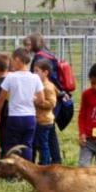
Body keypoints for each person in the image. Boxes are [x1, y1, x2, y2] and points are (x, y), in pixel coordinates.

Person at [25, 33, 75, 162]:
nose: (26, 47)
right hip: (56, 93)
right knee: (49, 130)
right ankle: (56, 159)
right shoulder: (48, 53)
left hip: (49, 95)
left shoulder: (39, 57)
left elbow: (46, 78)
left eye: (29, 44)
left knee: (46, 131)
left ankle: (46, 162)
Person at [0, 48, 44, 161]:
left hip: (14, 116)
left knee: (12, 145)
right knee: (27, 145)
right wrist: (32, 99)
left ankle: (12, 172)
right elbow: (41, 100)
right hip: (30, 116)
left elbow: (1, 98)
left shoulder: (11, 77)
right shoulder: (35, 78)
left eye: (13, 60)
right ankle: (26, 172)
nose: (11, 63)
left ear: (18, 60)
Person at [33, 59, 60, 165]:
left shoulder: (47, 87)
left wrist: (37, 102)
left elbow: (52, 103)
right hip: (39, 119)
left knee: (43, 144)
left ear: (45, 73)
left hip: (44, 120)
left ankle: (45, 163)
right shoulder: (39, 84)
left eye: (37, 71)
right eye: (34, 71)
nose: (34, 73)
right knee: (40, 143)